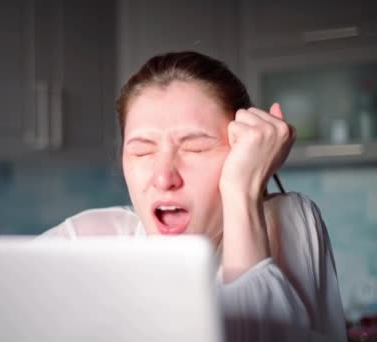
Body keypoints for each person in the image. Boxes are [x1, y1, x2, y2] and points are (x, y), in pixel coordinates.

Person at [40, 51, 346, 341]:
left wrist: (242, 190)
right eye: (142, 150)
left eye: (195, 148)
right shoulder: (85, 241)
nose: (163, 177)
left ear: (244, 151)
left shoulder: (286, 220)